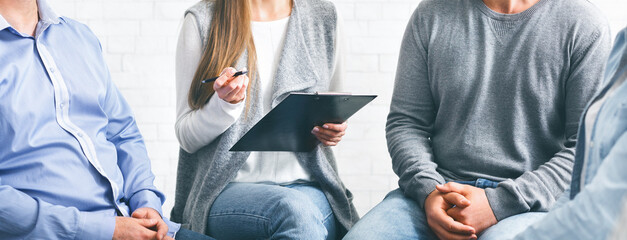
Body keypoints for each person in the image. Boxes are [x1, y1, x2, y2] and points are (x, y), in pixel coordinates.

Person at [344, 0, 611, 239]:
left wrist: (499, 203)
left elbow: (586, 147)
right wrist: (428, 191)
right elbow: (406, 123)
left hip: (531, 203)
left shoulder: (583, 24)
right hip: (439, 190)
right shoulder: (431, 14)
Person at [0, 0, 211, 239]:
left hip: (136, 224)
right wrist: (105, 230)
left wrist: (146, 202)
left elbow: (122, 132)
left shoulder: (80, 37)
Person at [170, 0, 358, 239]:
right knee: (293, 212)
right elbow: (186, 137)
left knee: (298, 211)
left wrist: (334, 129)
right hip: (225, 192)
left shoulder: (324, 16)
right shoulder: (202, 20)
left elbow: (335, 106)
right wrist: (224, 106)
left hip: (309, 188)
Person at [511, 26, 627, 240]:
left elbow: (599, 215)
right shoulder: (623, 45)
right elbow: (580, 183)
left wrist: (502, 202)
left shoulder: (587, 28)